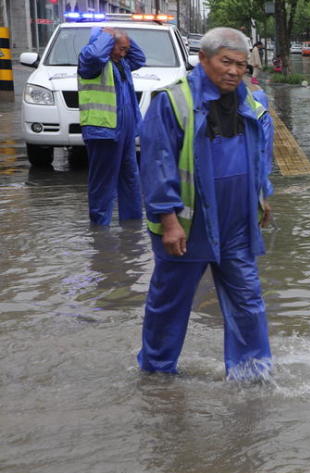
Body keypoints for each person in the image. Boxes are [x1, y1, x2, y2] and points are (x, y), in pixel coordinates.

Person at [138, 27, 276, 380]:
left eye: (241, 65)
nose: (233, 71)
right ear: (203, 59)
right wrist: (168, 220)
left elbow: (260, 157)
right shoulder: (172, 101)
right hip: (188, 225)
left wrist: (263, 196)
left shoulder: (253, 104)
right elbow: (157, 165)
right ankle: (157, 373)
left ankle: (252, 375)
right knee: (170, 302)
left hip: (237, 223)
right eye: (225, 62)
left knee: (248, 301)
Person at [77, 27, 146, 226]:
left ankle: (132, 227)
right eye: (121, 48)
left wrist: (124, 37)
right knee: (103, 184)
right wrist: (107, 35)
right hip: (103, 131)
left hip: (125, 131)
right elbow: (96, 54)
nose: (125, 52)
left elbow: (140, 58)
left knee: (131, 180)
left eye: (127, 49)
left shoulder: (122, 62)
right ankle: (100, 230)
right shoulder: (90, 63)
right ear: (108, 45)